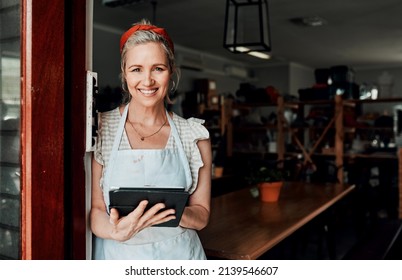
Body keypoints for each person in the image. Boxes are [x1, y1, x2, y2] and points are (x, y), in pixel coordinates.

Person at [90, 19, 212, 260]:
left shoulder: (193, 135)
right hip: (118, 255)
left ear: (171, 72)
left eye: (158, 68)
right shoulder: (102, 127)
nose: (147, 81)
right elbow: (95, 211)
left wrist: (169, 213)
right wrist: (115, 230)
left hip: (179, 255)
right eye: (136, 69)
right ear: (124, 74)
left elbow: (202, 215)